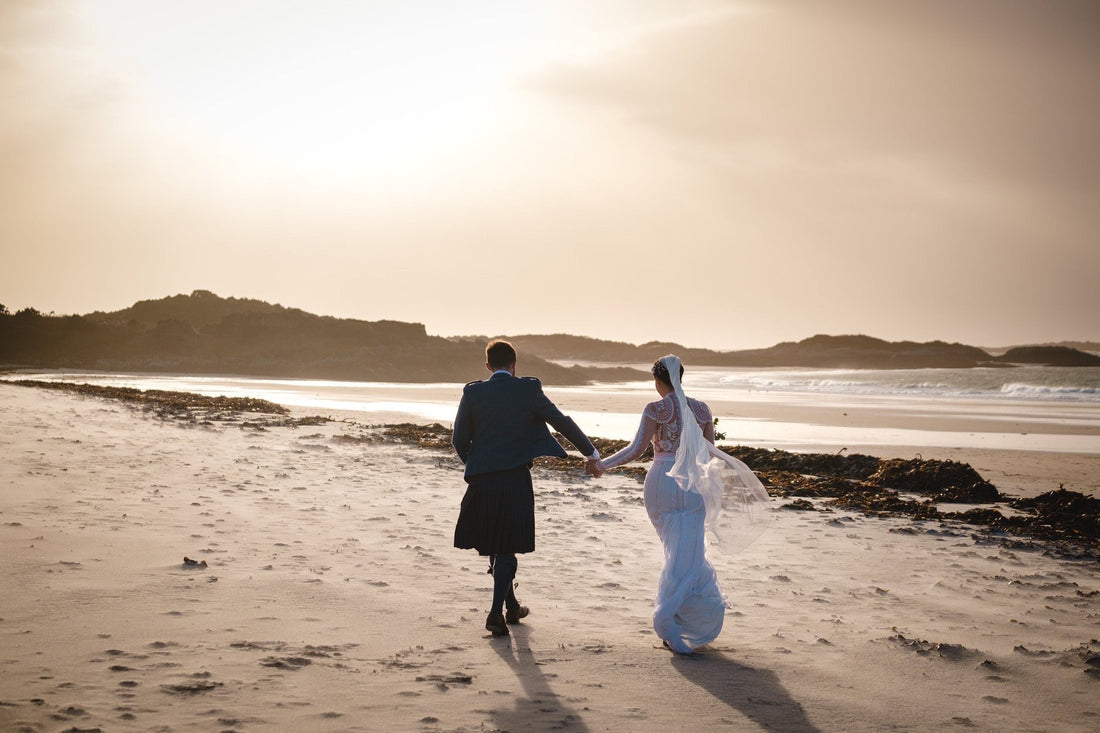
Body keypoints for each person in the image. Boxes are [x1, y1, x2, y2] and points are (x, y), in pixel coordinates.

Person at [589, 355, 769, 654]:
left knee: (673, 550)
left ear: (658, 381)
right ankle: (682, 618)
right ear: (680, 377)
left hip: (661, 482)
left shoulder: (655, 408)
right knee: (689, 552)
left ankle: (668, 619)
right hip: (693, 485)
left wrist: (602, 465)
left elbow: (636, 450)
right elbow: (710, 453)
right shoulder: (702, 409)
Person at [453, 339, 600, 637]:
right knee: (506, 546)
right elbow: (562, 422)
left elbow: (459, 439)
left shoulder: (473, 392)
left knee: (496, 543)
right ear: (514, 364)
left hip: (481, 479)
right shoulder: (529, 389)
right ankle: (495, 613)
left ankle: (512, 607)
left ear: (488, 366)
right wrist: (591, 453)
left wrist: (477, 464)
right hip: (514, 479)